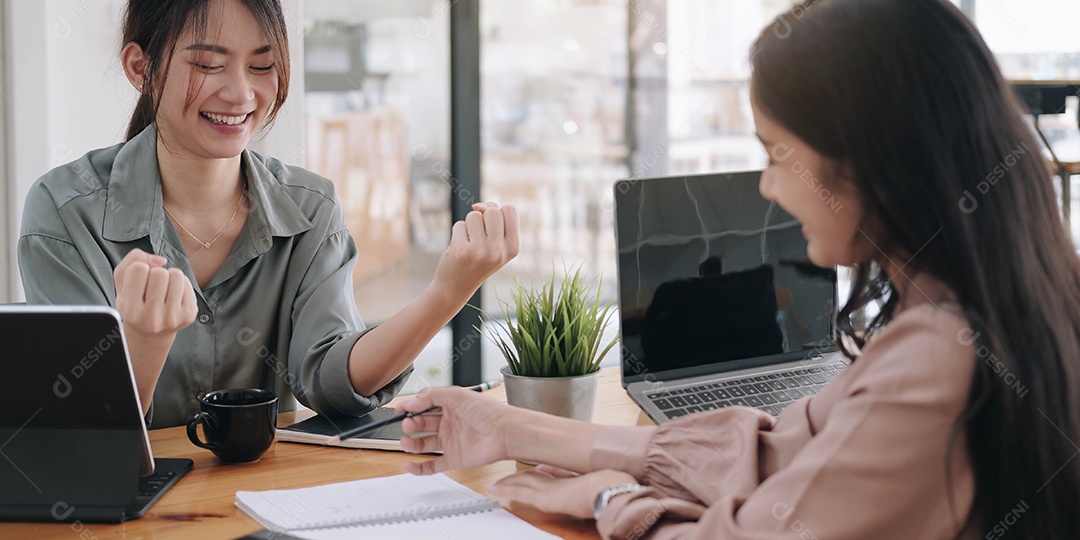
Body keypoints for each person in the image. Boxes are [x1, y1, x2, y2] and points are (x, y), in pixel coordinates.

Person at [397, 0, 1080, 538]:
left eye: (777, 154)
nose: (768, 188)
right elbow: (775, 452)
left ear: (871, 155)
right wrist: (514, 429)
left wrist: (610, 500)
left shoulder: (931, 359)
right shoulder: (1009, 301)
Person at [17, 0, 518, 429]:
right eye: (208, 64)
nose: (241, 93)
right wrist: (143, 343)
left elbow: (332, 381)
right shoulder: (65, 215)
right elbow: (82, 435)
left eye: (262, 65)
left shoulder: (310, 207)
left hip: (267, 497)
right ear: (139, 68)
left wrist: (447, 293)